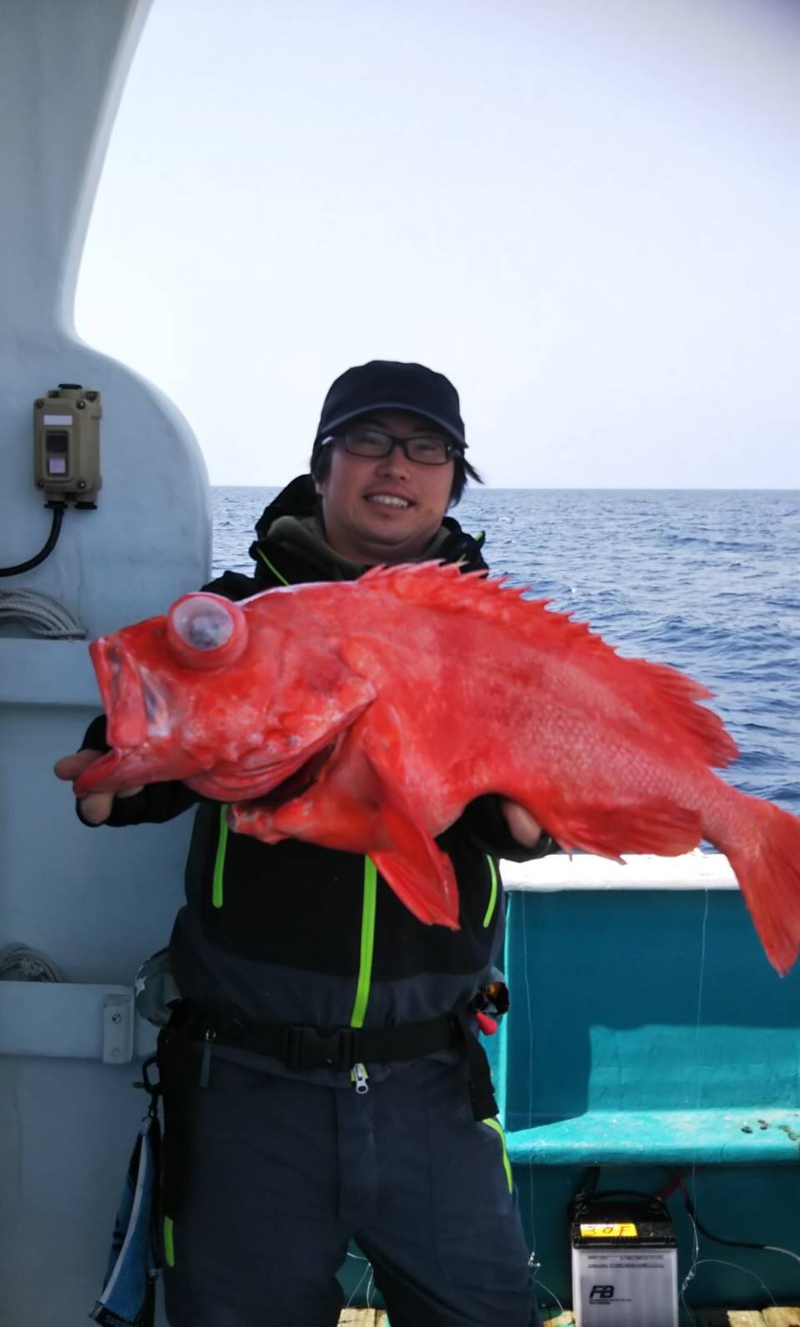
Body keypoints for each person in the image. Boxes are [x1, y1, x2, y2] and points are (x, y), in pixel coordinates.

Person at [56, 360, 556, 1327]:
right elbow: (134, 750)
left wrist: (535, 813)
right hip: (250, 1086)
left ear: (454, 477)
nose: (394, 466)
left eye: (426, 448)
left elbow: (519, 827)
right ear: (322, 465)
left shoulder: (493, 636)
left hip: (431, 1085)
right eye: (367, 440)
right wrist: (114, 776)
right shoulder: (238, 615)